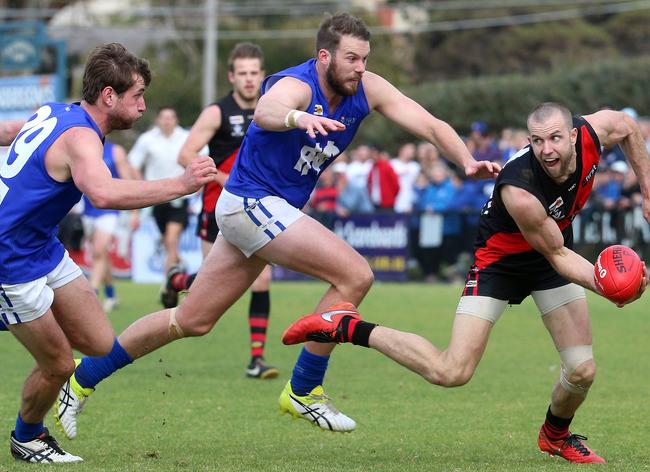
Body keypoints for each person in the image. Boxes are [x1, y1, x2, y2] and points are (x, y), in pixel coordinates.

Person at [57, 12, 498, 439]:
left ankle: (80, 380)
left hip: (257, 211)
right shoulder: (298, 84)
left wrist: (465, 161)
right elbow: (268, 108)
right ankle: (304, 389)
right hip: (251, 203)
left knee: (191, 320)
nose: (361, 68)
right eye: (352, 59)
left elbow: (430, 124)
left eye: (365, 59)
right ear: (325, 57)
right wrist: (298, 117)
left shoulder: (368, 87)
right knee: (354, 274)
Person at [283, 102, 650, 462]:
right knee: (451, 371)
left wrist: (647, 193)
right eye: (537, 141)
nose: (547, 150)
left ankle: (555, 436)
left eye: (555, 138)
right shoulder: (519, 188)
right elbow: (557, 255)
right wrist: (610, 285)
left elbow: (630, 129)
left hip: (550, 257)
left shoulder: (593, 132)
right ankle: (346, 326)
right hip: (501, 263)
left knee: (582, 370)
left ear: (574, 135)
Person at [0, 42, 217, 463]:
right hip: (10, 258)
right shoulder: (83, 138)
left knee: (99, 343)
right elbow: (102, 192)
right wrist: (180, 184)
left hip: (41, 244)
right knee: (60, 365)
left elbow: (9, 132)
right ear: (109, 96)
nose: (142, 106)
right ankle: (28, 438)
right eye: (137, 96)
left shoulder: (54, 111)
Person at [169, 42, 279, 379]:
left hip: (258, 209)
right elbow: (185, 154)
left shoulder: (272, 107)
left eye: (254, 73)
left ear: (263, 75)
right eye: (242, 73)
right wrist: (222, 176)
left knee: (261, 279)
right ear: (232, 76)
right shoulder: (217, 112)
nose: (248, 79)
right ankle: (177, 280)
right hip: (219, 207)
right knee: (207, 287)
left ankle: (256, 360)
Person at [129, 106, 192, 274]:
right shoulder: (147, 139)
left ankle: (169, 287)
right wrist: (141, 184)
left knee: (171, 239)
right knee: (167, 241)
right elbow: (133, 163)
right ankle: (178, 262)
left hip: (180, 196)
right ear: (157, 120)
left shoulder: (186, 138)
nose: (167, 121)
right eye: (163, 117)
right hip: (156, 197)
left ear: (176, 120)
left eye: (170, 117)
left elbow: (200, 159)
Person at [81, 141, 139, 312]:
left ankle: (91, 295)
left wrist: (135, 212)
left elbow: (128, 182)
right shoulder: (83, 146)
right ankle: (111, 294)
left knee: (99, 251)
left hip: (110, 210)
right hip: (88, 211)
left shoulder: (116, 150)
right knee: (102, 255)